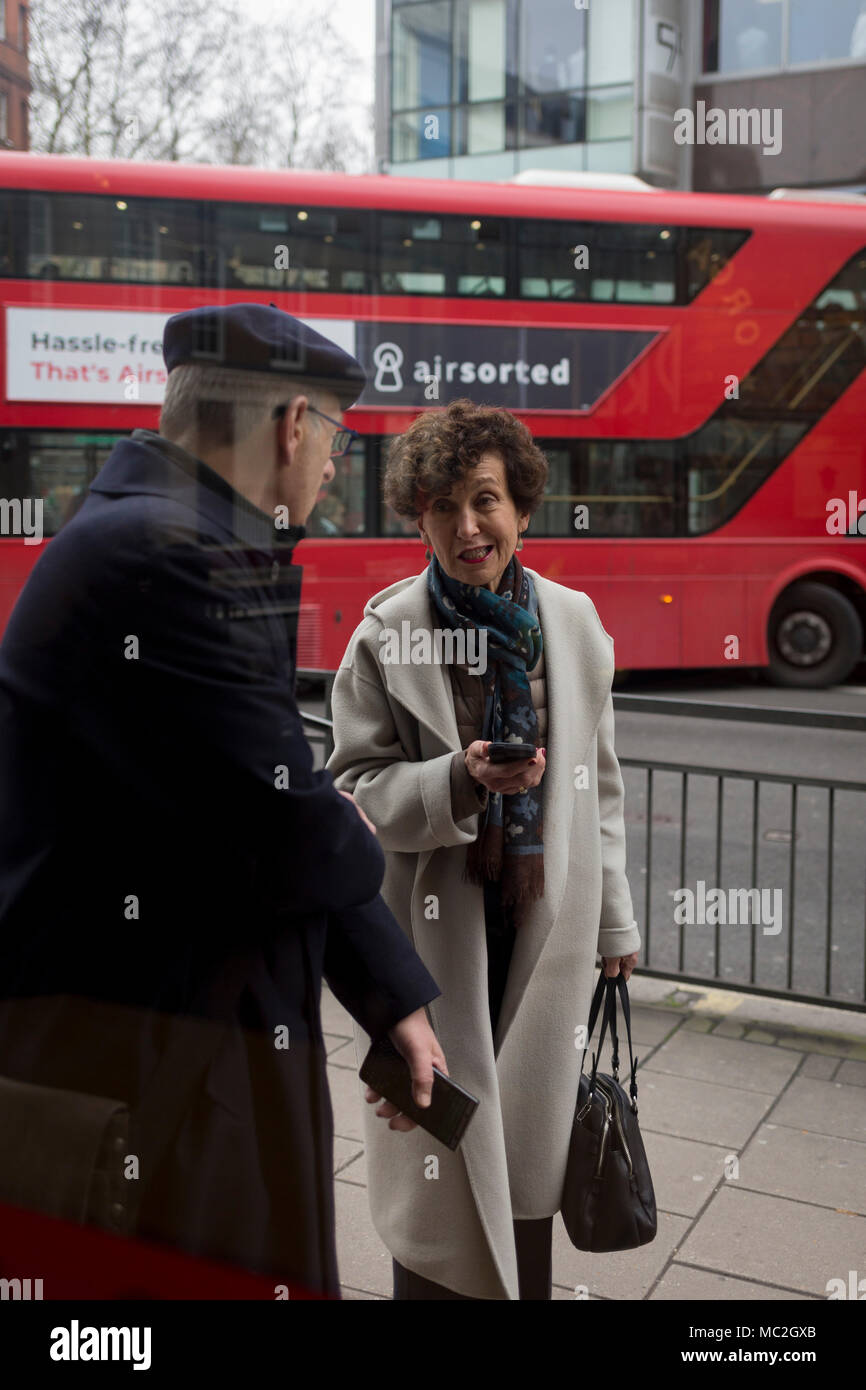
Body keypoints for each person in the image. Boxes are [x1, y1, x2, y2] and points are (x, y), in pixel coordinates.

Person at [0, 304, 446, 1298]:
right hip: (153, 1070)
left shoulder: (168, 536)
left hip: (186, 1043)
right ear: (291, 425)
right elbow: (293, 826)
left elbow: (281, 809)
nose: (333, 466)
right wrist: (343, 826)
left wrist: (391, 994)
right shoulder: (169, 558)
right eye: (332, 438)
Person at [327, 399, 640, 1300]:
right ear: (417, 518)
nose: (468, 527)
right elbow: (353, 796)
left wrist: (615, 921)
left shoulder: (576, 624)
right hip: (435, 947)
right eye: (442, 506)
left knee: (525, 1182)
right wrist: (458, 783)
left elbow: (601, 785)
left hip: (549, 937)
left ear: (523, 507)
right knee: (440, 1190)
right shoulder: (384, 634)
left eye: (487, 500)